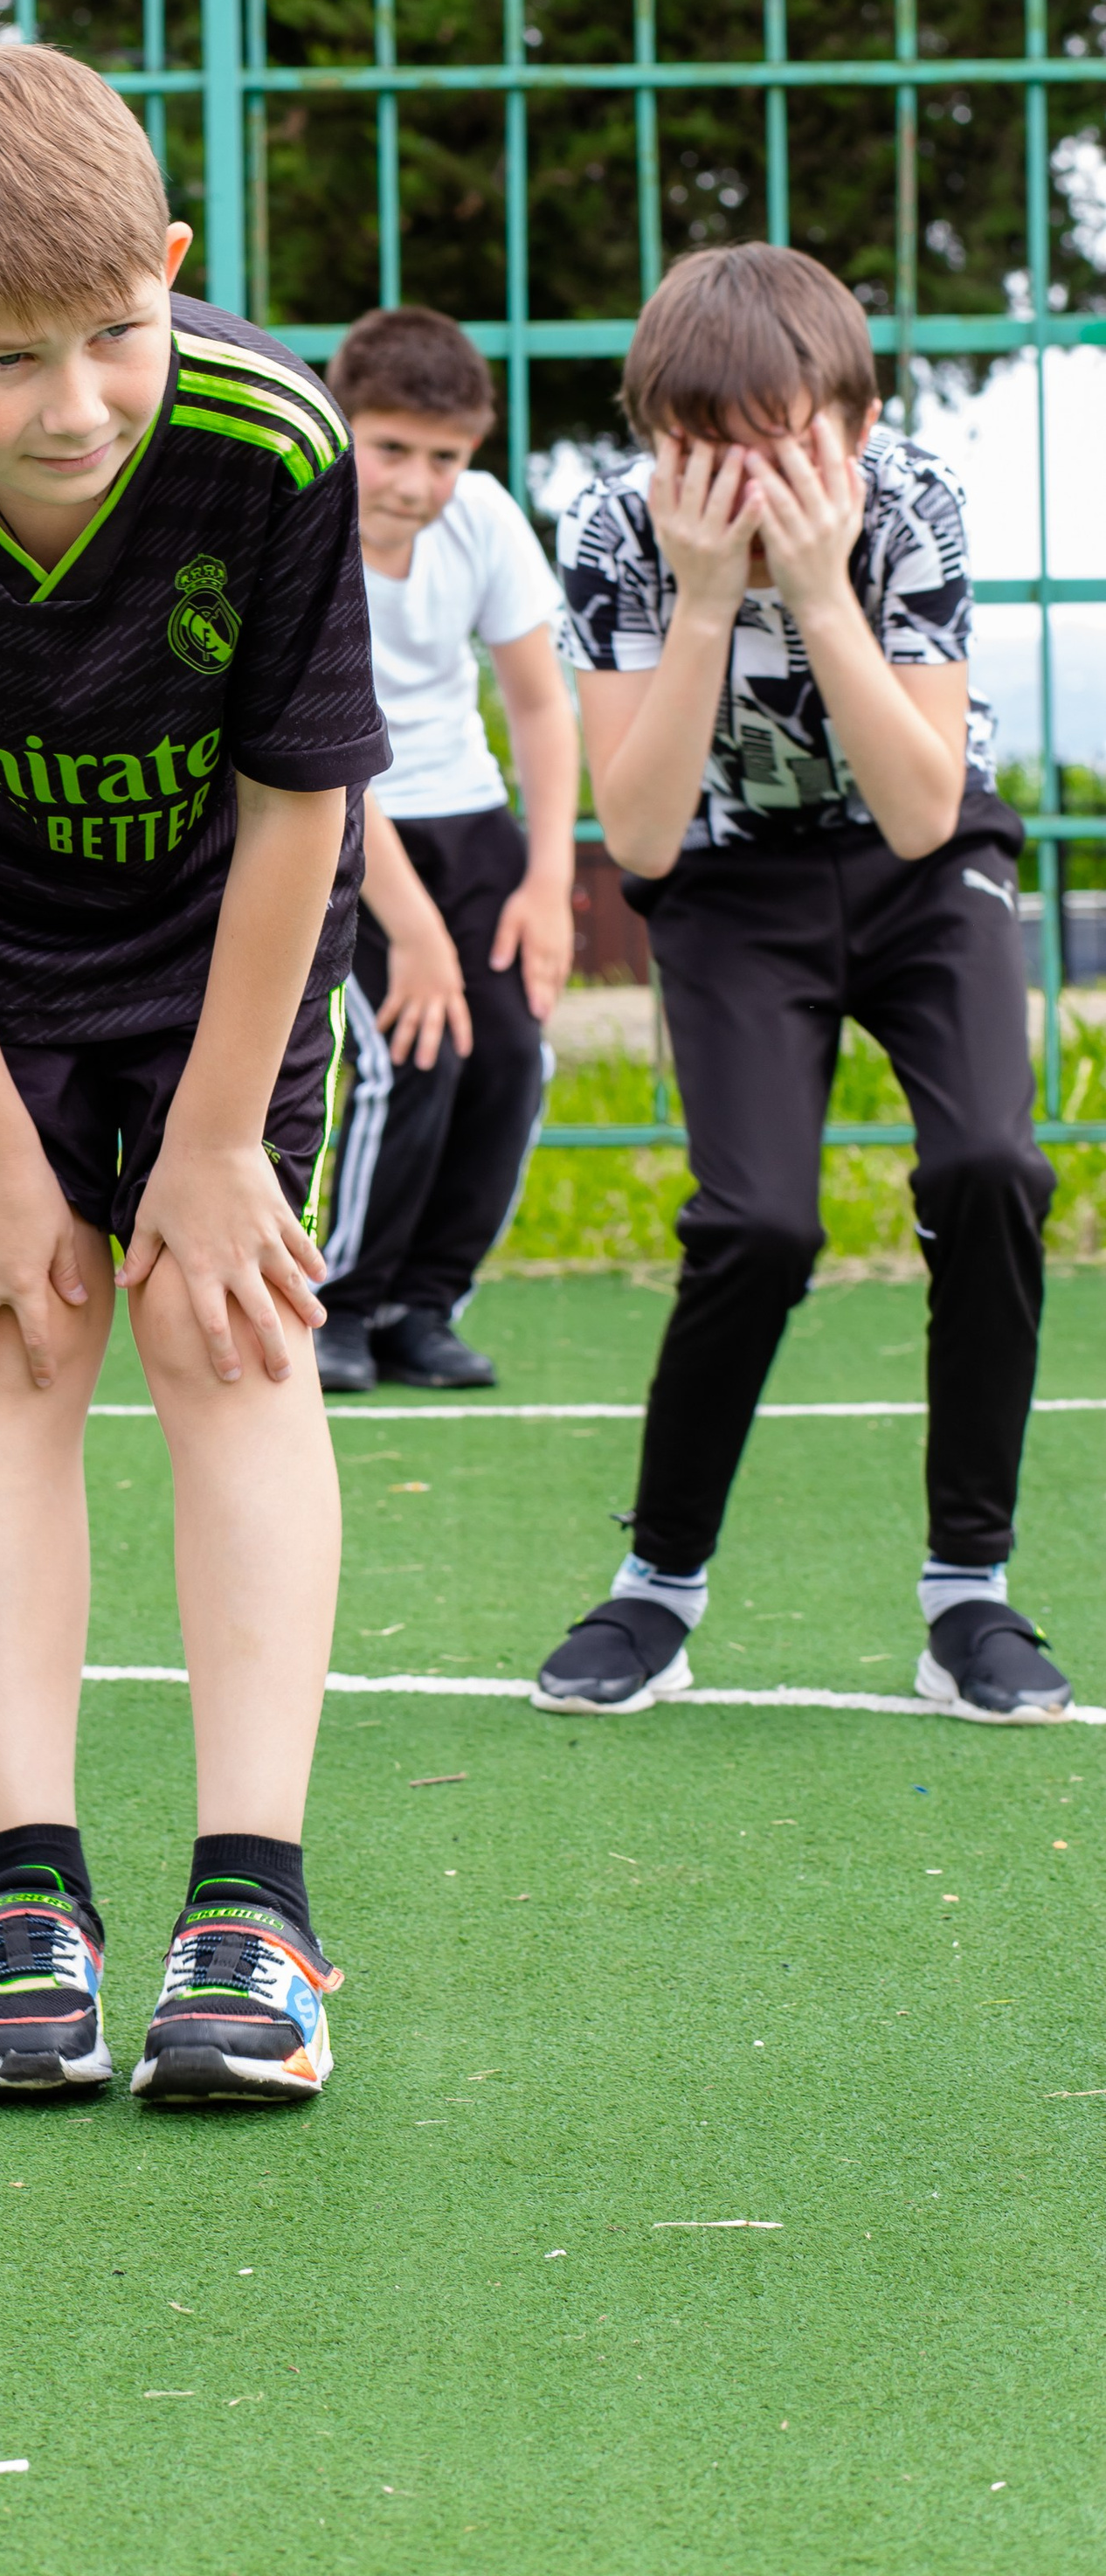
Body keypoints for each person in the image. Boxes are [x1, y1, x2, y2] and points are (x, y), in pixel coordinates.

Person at [0, 41, 386, 2101]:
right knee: (9, 1336)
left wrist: (213, 1138)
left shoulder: (275, 438)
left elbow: (307, 800)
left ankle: (254, 1908)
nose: (73, 405)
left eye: (114, 334)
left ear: (173, 270)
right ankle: (23, 1893)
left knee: (229, 1337)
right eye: (2, 362)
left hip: (231, 937)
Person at [536, 241, 1065, 1724]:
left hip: (923, 864)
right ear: (653, 440)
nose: (747, 483)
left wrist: (819, 590)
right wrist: (706, 602)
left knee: (989, 1166)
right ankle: (657, 1588)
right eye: (701, 448)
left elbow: (919, 809)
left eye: (786, 442)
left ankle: (971, 1593)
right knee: (758, 1222)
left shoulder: (914, 505)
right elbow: (635, 835)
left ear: (860, 417)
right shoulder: (617, 532)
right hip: (727, 881)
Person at [312, 306, 577, 1392]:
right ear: (341, 427)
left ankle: (424, 1308)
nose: (416, 482)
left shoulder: (483, 520)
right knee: (409, 1053)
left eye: (444, 457)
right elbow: (318, 747)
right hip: (336, 814)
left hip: (468, 820)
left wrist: (549, 880)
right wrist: (414, 933)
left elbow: (539, 705)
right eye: (390, 449)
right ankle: (337, 1305)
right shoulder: (302, 525)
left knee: (514, 1056)